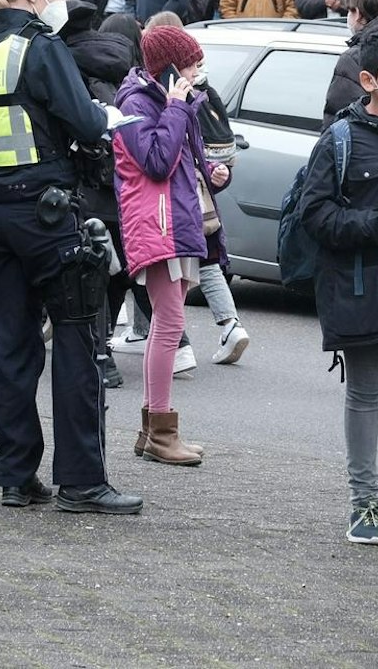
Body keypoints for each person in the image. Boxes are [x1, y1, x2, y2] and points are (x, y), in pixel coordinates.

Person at [0, 0, 140, 514]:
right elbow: (85, 121)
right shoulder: (40, 46)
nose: (63, 2)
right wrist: (102, 121)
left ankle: (16, 476)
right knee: (78, 341)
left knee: (12, 346)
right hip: (49, 212)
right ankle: (82, 481)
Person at [299, 19, 378, 544]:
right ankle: (363, 504)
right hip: (359, 287)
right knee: (367, 394)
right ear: (370, 81)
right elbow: (317, 215)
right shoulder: (342, 139)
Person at [113, 24, 225, 466]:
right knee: (168, 324)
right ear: (170, 68)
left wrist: (215, 172)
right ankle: (161, 429)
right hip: (156, 226)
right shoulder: (137, 102)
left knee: (166, 320)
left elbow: (182, 160)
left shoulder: (169, 101)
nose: (198, 72)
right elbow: (157, 160)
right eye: (192, 64)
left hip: (176, 222)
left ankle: (151, 430)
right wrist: (177, 108)